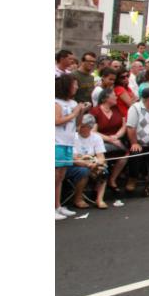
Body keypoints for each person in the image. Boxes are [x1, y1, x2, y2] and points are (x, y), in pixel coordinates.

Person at [56, 74, 90, 220]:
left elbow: (76, 124)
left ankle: (58, 206)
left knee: (61, 176)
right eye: (74, 84)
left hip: (68, 142)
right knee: (55, 175)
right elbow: (57, 121)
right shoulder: (56, 102)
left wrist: (81, 112)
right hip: (57, 142)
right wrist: (75, 112)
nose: (76, 87)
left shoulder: (73, 102)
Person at [90, 87, 129, 192]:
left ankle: (112, 179)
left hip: (116, 139)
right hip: (101, 141)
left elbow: (123, 126)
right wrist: (110, 139)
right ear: (105, 98)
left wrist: (116, 136)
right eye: (114, 95)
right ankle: (99, 185)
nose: (116, 97)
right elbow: (93, 132)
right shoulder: (96, 111)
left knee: (125, 154)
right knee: (104, 154)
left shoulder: (117, 109)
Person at [72, 115, 109, 209]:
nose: (80, 128)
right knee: (83, 171)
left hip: (91, 162)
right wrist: (88, 163)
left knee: (103, 171)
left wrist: (97, 163)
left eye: (83, 126)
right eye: (79, 125)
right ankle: (78, 198)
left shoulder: (96, 138)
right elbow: (74, 158)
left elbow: (101, 157)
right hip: (78, 164)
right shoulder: (73, 137)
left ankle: (99, 199)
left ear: (90, 127)